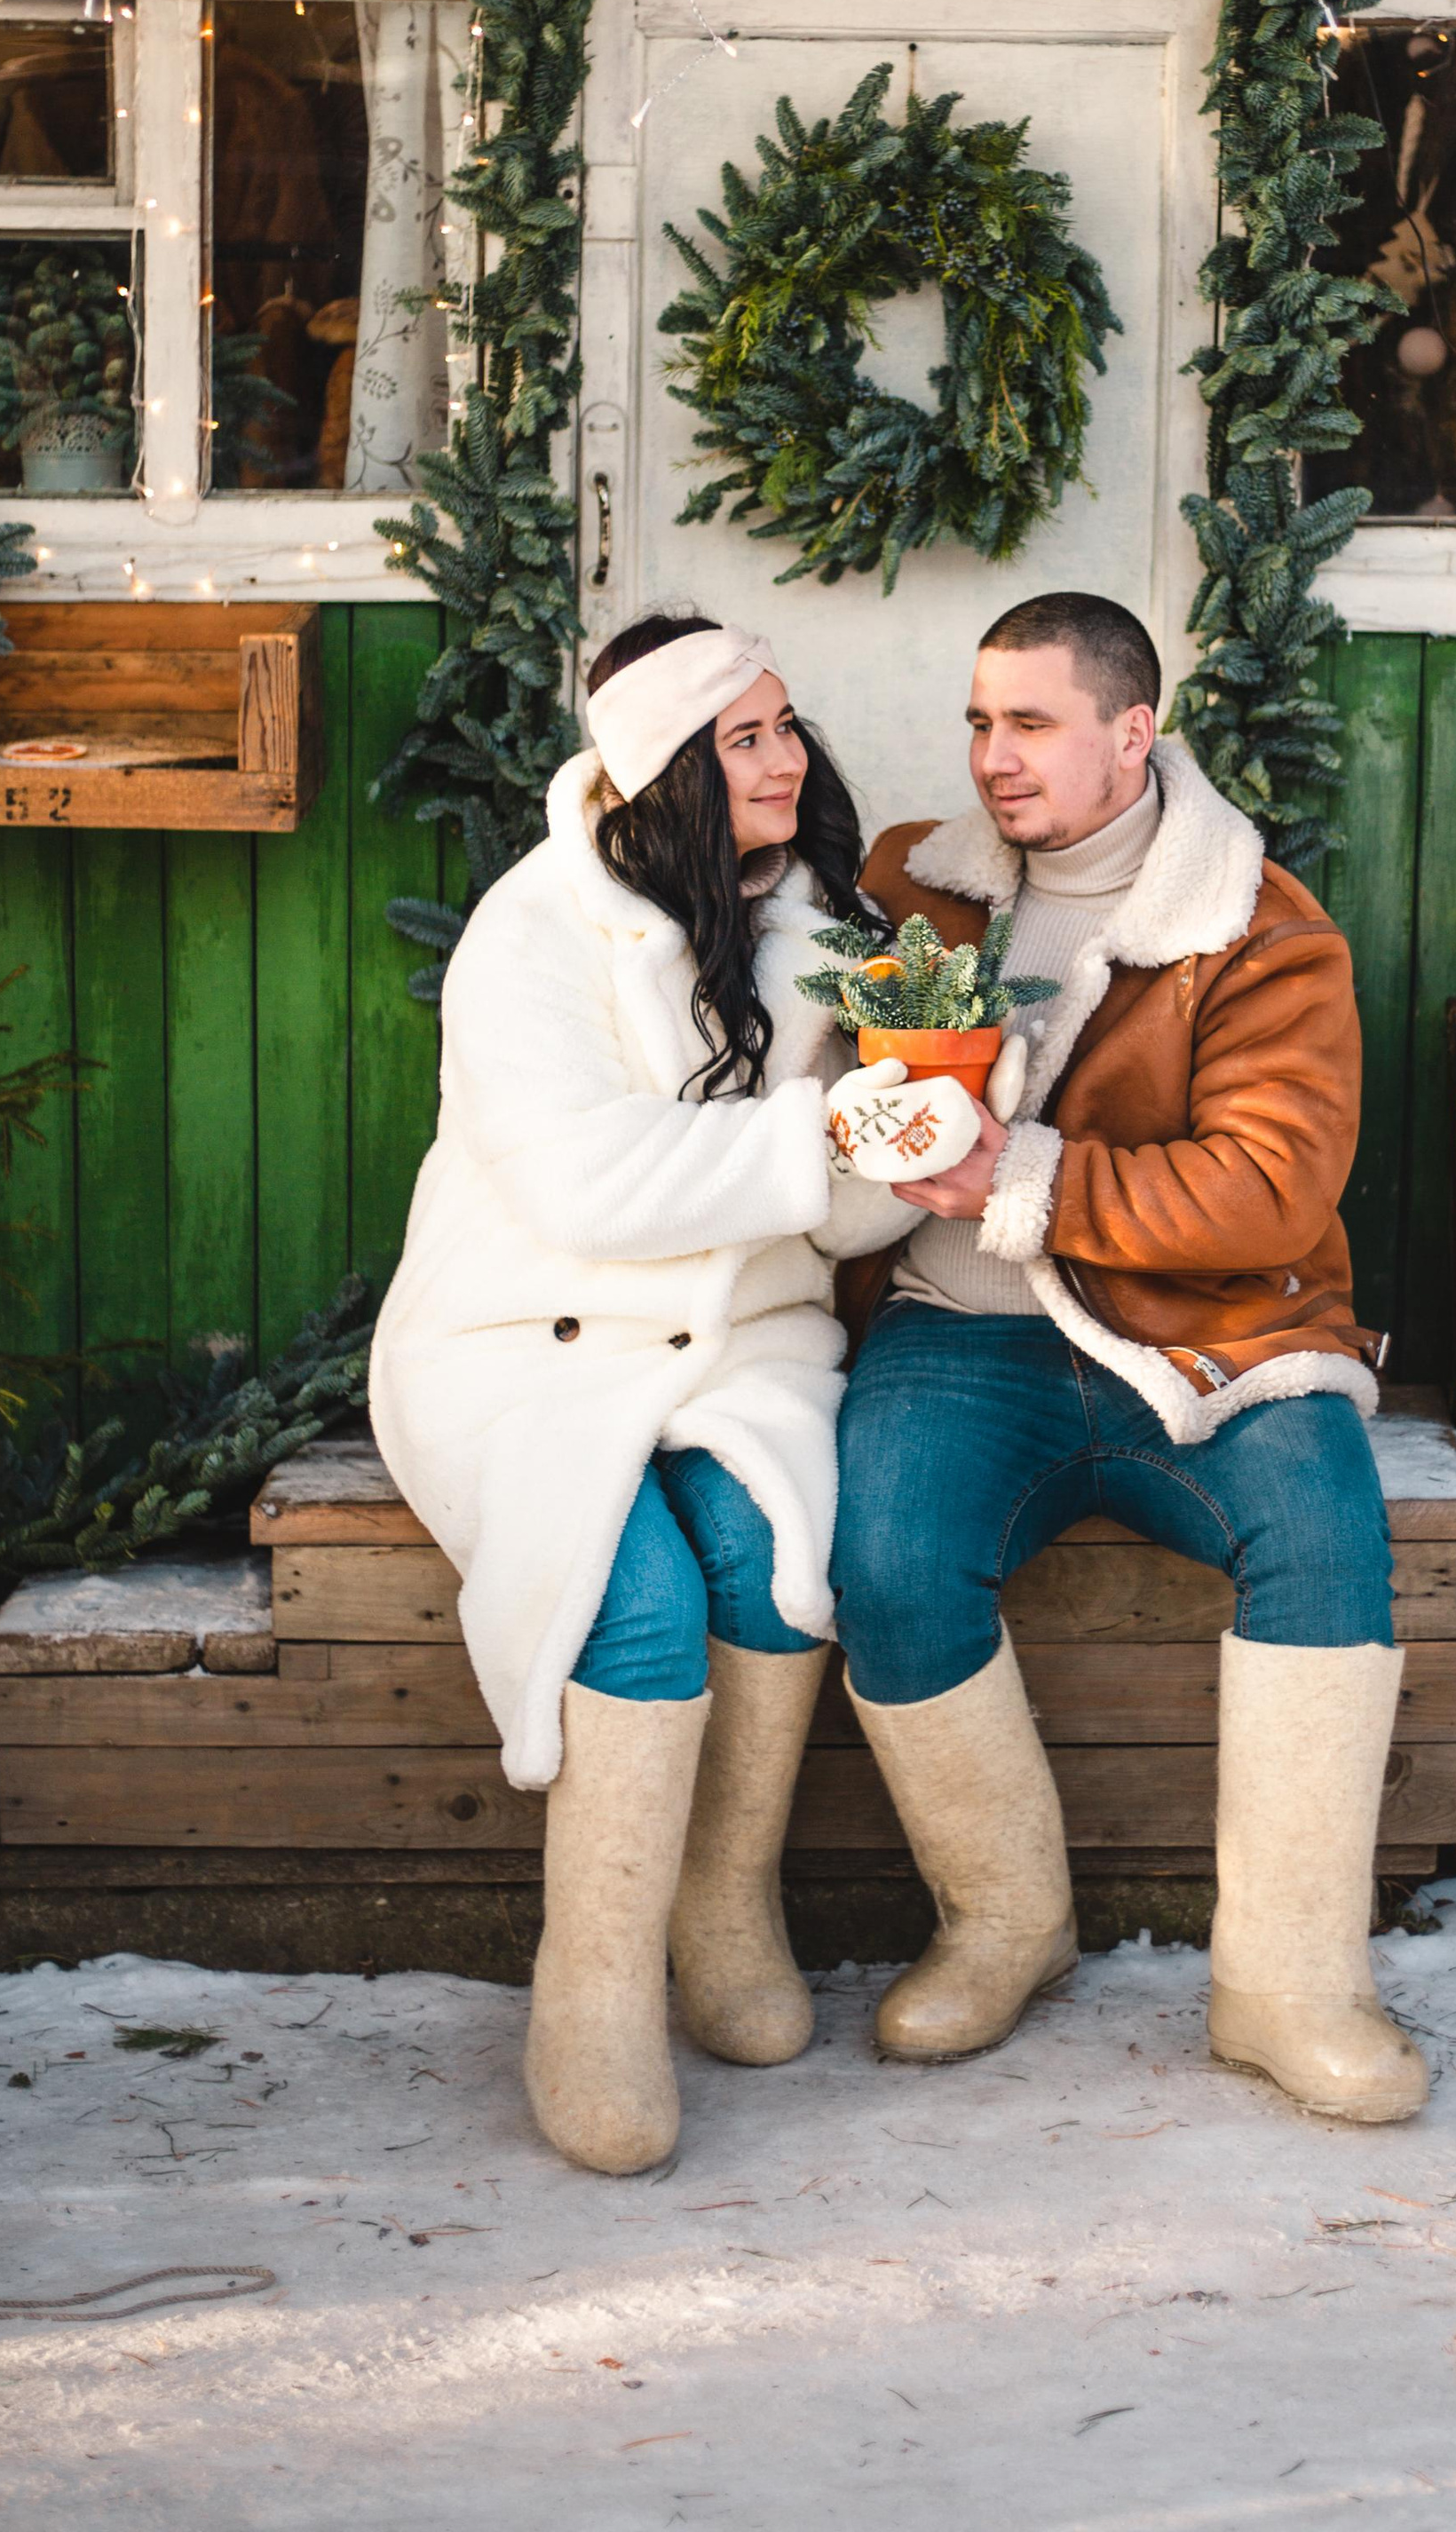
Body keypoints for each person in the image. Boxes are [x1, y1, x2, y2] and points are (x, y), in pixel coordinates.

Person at [369, 614, 960, 2176]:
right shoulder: (536, 927)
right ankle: (594, 1987)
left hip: (743, 1340)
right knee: (628, 1605)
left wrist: (912, 1128)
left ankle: (721, 1903)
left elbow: (838, 1219)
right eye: (745, 739)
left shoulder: (825, 927)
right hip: (523, 1340)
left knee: (776, 1569)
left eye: (787, 727)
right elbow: (577, 1182)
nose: (787, 760)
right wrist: (814, 1142)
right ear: (670, 770)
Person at [829, 589, 1428, 2125]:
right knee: (885, 1559)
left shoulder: (1258, 931)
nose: (993, 758)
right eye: (980, 721)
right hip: (963, 1334)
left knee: (1325, 1533)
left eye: (1031, 724)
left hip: (1204, 1339)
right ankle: (1006, 1923)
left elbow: (1269, 1188)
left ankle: (1290, 1984)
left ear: (1134, 732)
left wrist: (1017, 1177)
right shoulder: (918, 889)